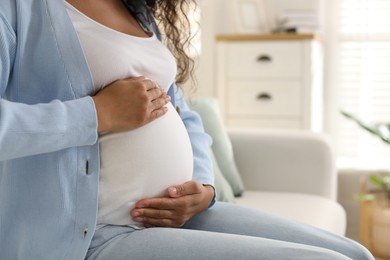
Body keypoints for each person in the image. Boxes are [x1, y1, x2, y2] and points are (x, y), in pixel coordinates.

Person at [0, 0, 374, 259]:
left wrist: (203, 186)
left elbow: (184, 113)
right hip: (93, 235)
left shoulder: (138, 11)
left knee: (355, 253)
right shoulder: (17, 10)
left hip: (181, 214)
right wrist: (96, 114)